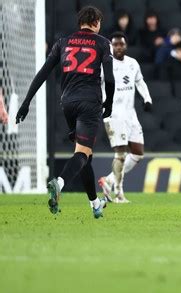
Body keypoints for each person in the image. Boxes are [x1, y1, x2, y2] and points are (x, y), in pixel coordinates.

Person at [15, 6, 114, 218]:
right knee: (82, 154)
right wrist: (110, 103)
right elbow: (110, 78)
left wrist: (26, 102)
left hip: (68, 103)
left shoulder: (63, 42)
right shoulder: (103, 43)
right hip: (89, 102)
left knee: (84, 154)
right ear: (96, 22)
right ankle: (59, 183)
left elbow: (43, 73)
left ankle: (95, 204)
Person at [98, 32, 153, 204]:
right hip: (113, 115)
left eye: (121, 44)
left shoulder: (132, 63)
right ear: (111, 46)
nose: (118, 47)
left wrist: (147, 98)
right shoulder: (105, 64)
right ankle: (119, 193)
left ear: (125, 46)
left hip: (131, 115)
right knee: (120, 154)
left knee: (137, 153)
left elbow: (140, 82)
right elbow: (95, 84)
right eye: (115, 45)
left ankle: (108, 180)